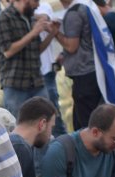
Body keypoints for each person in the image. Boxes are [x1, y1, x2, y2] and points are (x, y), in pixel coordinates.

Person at [0, 0, 54, 117]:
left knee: (46, 124)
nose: (38, 5)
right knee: (20, 128)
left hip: (37, 82)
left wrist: (53, 33)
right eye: (35, 1)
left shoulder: (30, 19)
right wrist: (33, 32)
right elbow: (8, 51)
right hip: (16, 86)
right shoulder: (3, 18)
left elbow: (37, 49)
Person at [53, 0, 101, 130]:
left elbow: (71, 46)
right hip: (92, 72)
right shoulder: (87, 7)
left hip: (84, 74)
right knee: (83, 123)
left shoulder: (74, 12)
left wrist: (55, 32)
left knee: (86, 126)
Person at [35, 1, 68, 136]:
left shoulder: (43, 5)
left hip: (46, 71)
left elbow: (43, 18)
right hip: (27, 75)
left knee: (53, 114)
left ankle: (64, 147)